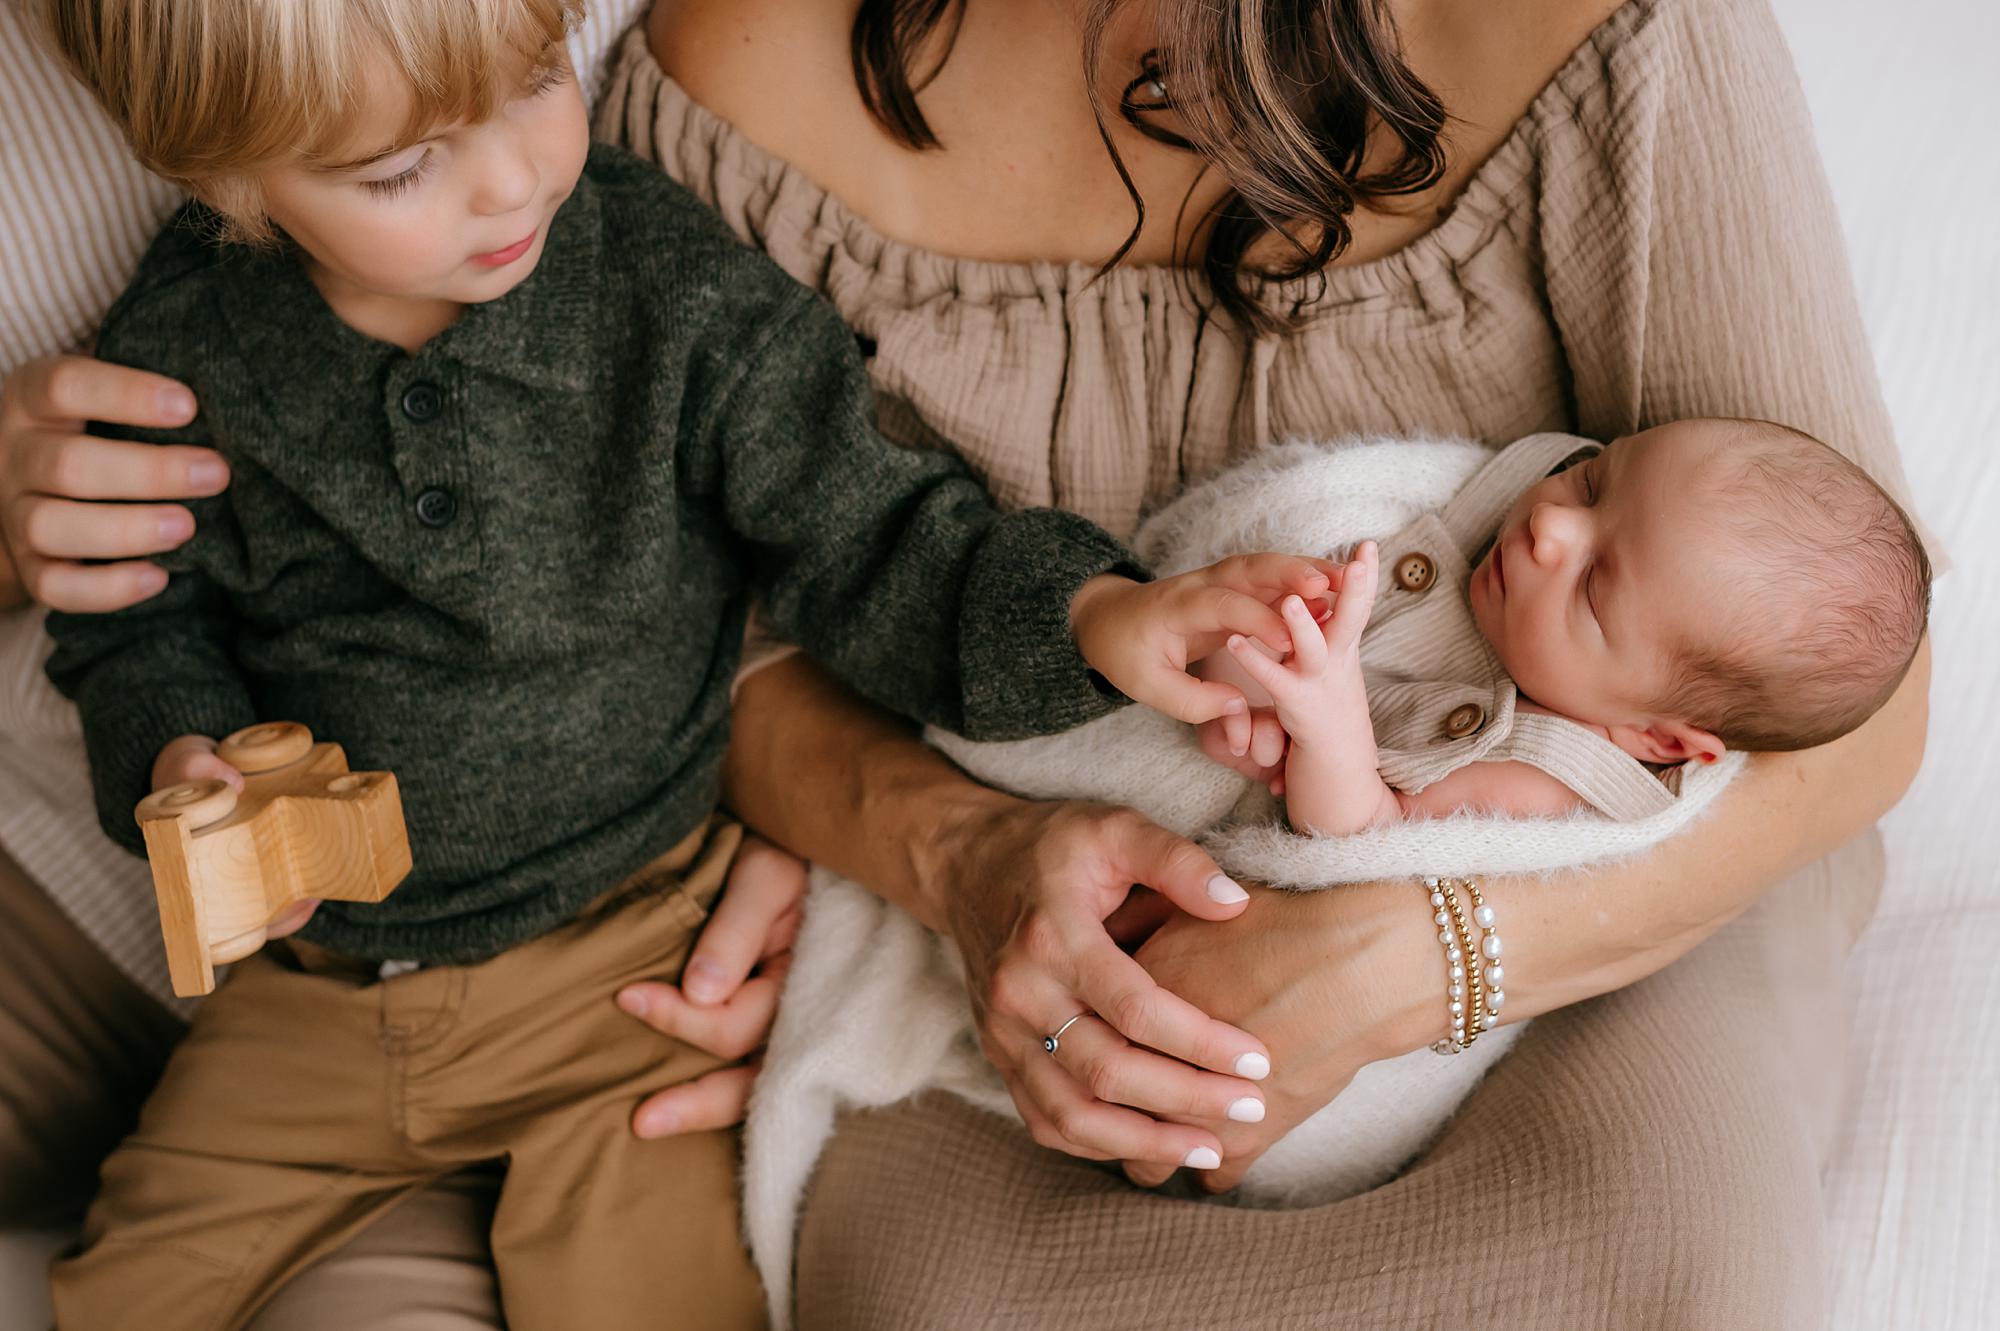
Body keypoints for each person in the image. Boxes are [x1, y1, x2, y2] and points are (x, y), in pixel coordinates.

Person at [0, 0, 1931, 1325]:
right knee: (927, 1303)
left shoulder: (1600, 36)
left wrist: (1416, 949)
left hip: (1598, 883)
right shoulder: (718, 88)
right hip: (1015, 942)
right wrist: (949, 850)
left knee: (1649, 1252)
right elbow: (721, 636)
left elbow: (1847, 682)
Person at [27, 0, 1330, 1325]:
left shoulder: (670, 295)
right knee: (115, 1295)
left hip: (634, 977)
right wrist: (179, 758)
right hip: (309, 1002)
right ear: (227, 176)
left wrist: (1091, 614)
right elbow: (136, 622)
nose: (513, 175)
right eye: (403, 167)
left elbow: (875, 538)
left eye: (535, 79)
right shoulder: (178, 346)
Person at [1200, 420, 1931, 835]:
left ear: (1660, 739)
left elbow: (1366, 834)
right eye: (1594, 481)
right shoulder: (1499, 529)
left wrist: (1326, 732)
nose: (1550, 524)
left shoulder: (1544, 780)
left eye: (1591, 584)